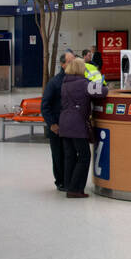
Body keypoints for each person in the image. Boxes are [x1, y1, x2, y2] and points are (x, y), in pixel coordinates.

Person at [56, 58, 104, 198]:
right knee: (84, 156)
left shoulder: (64, 83)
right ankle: (75, 189)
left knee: (70, 156)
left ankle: (68, 185)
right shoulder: (84, 84)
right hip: (77, 124)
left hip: (64, 123)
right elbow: (103, 91)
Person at [41, 53, 70, 192]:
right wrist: (52, 124)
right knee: (58, 154)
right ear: (62, 64)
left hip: (71, 126)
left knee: (70, 154)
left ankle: (69, 179)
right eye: (70, 62)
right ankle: (60, 181)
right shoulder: (54, 82)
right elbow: (45, 105)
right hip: (57, 126)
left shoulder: (77, 80)